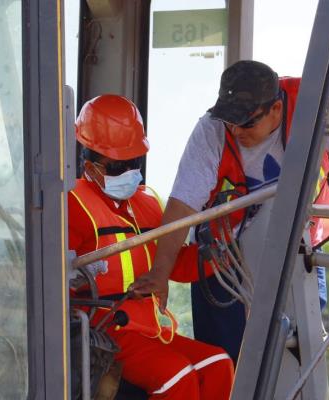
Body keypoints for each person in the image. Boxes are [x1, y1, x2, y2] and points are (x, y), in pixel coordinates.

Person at [131, 60, 329, 361]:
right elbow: (182, 206)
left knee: (300, 347)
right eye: (230, 120)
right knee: (226, 359)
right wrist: (160, 274)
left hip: (297, 245)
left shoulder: (313, 103)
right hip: (226, 257)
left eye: (247, 122)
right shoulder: (211, 132)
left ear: (276, 109)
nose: (236, 130)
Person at [68, 94, 234, 399]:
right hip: (106, 329)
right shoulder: (73, 203)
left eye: (133, 161)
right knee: (176, 378)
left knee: (218, 364)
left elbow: (172, 265)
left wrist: (216, 253)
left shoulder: (147, 202)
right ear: (88, 162)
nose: (128, 171)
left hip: (150, 328)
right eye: (117, 165)